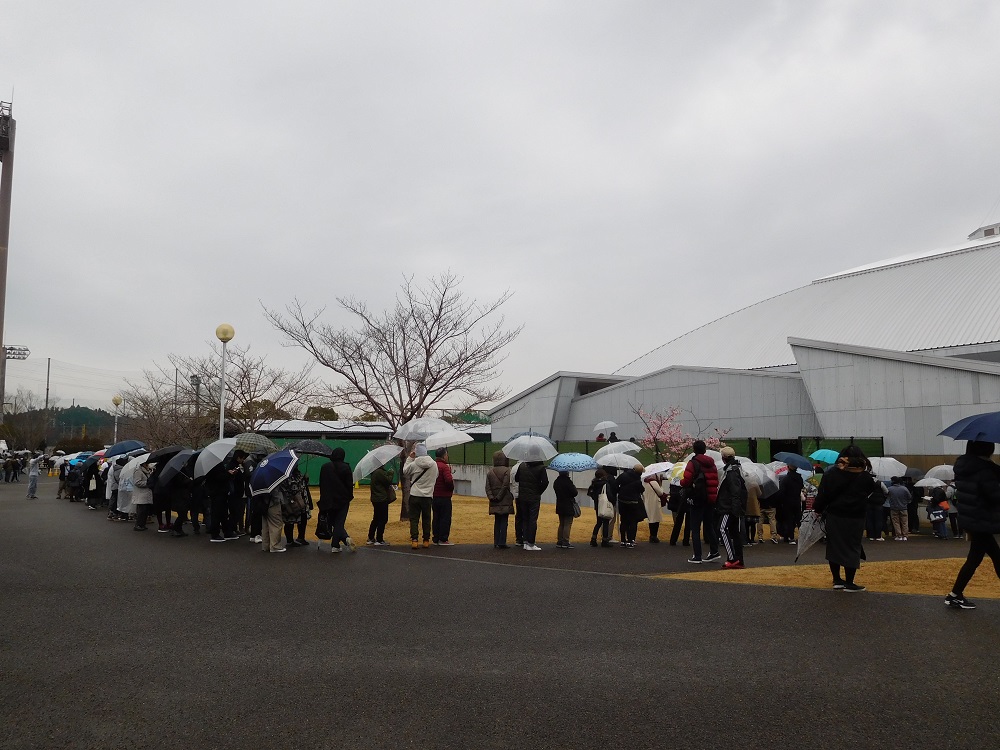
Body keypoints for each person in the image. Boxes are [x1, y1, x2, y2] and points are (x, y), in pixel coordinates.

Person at [813, 445, 879, 592]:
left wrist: (817, 509)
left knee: (834, 546)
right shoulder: (865, 476)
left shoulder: (831, 474)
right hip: (856, 516)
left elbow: (823, 494)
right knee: (852, 546)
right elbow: (871, 492)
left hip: (835, 514)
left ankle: (837, 580)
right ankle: (850, 582)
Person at [945, 440, 1000, 610]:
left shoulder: (965, 468)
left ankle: (955, 595)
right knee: (984, 558)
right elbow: (995, 496)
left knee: (981, 558)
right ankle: (954, 595)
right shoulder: (985, 470)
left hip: (972, 519)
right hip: (982, 520)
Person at [680, 440, 720, 563]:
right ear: (705, 449)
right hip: (710, 497)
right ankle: (714, 551)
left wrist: (681, 482)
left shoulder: (693, 463)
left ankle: (697, 556)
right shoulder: (712, 464)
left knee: (695, 527)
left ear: (694, 450)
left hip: (697, 498)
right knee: (709, 526)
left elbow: (686, 481)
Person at [319, 447, 356, 553]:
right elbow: (349, 485)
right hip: (342, 499)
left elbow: (322, 484)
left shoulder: (325, 467)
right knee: (339, 522)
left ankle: (345, 538)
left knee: (332, 521)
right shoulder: (346, 467)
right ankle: (335, 545)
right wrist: (349, 496)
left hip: (327, 499)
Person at [716, 447, 747, 568]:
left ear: (723, 458)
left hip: (728, 507)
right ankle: (738, 559)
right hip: (734, 506)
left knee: (722, 529)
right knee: (735, 533)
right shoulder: (736, 469)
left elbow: (735, 492)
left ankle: (733, 558)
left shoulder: (731, 472)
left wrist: (734, 508)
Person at [403, 444, 437, 549]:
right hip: (427, 496)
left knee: (414, 519)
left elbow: (405, 471)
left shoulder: (414, 464)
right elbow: (436, 476)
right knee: (427, 518)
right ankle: (426, 540)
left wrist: (410, 458)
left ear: (417, 452)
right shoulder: (434, 464)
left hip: (415, 495)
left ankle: (414, 540)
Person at [514, 460, 548, 551]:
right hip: (534, 497)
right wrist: (538, 491)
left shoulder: (522, 466)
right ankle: (531, 543)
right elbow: (545, 482)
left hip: (523, 496)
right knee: (532, 520)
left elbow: (516, 478)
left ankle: (525, 541)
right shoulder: (541, 468)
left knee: (525, 519)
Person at [485, 451, 514, 549]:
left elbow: (487, 487)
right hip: (505, 499)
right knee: (504, 521)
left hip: (494, 500)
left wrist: (491, 497)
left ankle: (496, 541)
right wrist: (500, 496)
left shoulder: (490, 472)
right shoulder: (507, 470)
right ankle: (502, 541)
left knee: (497, 521)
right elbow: (505, 485)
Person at [616, 463, 645, 548]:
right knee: (633, 521)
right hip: (633, 502)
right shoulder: (637, 480)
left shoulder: (623, 475)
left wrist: (620, 491)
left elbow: (615, 484)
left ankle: (623, 540)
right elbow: (641, 490)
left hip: (622, 500)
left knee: (624, 520)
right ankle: (631, 540)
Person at [432, 448, 456, 546]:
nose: (447, 456)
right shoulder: (445, 467)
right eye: (446, 454)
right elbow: (448, 481)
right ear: (443, 455)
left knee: (436, 517)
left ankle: (436, 537)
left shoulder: (432, 465)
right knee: (445, 518)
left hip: (434, 495)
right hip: (444, 496)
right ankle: (443, 538)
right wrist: (451, 488)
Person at [776, 467, 804, 545]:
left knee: (789, 520)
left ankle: (790, 537)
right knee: (798, 519)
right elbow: (801, 487)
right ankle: (803, 536)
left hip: (787, 502)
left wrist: (780, 501)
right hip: (797, 501)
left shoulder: (786, 479)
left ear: (788, 468)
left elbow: (781, 492)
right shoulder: (800, 478)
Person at [367, 464, 393, 546]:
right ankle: (379, 539)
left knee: (376, 518)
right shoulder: (379, 472)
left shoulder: (374, 472)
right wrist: (390, 474)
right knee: (383, 519)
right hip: (381, 498)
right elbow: (388, 481)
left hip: (375, 498)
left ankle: (371, 537)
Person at [587, 468, 615, 547]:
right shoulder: (605, 484)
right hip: (604, 504)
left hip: (597, 504)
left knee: (598, 522)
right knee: (605, 522)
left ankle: (593, 538)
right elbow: (609, 495)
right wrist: (612, 501)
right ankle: (604, 540)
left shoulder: (594, 483)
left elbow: (590, 493)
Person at [553, 470, 578, 549]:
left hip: (560, 504)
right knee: (567, 523)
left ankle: (559, 540)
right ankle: (565, 541)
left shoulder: (556, 481)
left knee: (561, 523)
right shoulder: (568, 482)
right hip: (568, 504)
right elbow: (574, 493)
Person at [642, 472, 666, 543]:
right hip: (655, 503)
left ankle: (652, 535)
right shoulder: (654, 482)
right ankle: (654, 535)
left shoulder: (645, 483)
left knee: (651, 519)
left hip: (648, 502)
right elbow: (660, 492)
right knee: (656, 520)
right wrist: (660, 485)